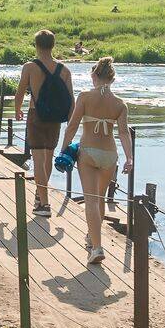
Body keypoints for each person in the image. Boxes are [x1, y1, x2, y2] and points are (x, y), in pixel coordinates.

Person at [59, 57, 134, 266]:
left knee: (90, 200)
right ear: (112, 79)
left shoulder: (84, 97)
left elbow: (72, 126)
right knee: (100, 198)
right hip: (110, 155)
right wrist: (129, 158)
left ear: (94, 76)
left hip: (89, 153)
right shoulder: (120, 104)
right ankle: (92, 238)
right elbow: (124, 133)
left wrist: (64, 149)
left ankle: (97, 248)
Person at [14, 29, 74, 217]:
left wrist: (17, 110)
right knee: (48, 157)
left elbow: (20, 92)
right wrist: (70, 121)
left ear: (36, 45)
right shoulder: (64, 69)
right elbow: (71, 100)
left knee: (38, 160)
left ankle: (44, 204)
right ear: (53, 45)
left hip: (36, 116)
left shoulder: (30, 67)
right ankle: (40, 196)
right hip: (56, 118)